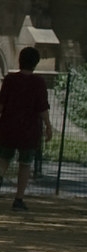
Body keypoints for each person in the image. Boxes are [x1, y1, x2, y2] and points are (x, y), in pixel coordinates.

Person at [0, 47, 53, 211]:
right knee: (25, 164)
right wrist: (48, 126)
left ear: (19, 60)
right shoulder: (39, 83)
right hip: (29, 130)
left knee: (3, 160)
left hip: (8, 127)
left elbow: (1, 104)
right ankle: (18, 199)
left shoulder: (9, 80)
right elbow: (42, 108)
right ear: (36, 63)